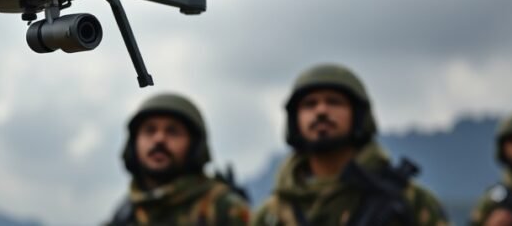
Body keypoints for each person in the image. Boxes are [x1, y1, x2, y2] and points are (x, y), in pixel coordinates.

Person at [250, 63, 448, 226]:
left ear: (359, 115)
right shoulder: (272, 215)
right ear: (295, 120)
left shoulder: (408, 203)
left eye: (334, 102)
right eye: (309, 104)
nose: (321, 111)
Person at [106, 92, 250, 225]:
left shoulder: (223, 209)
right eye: (149, 130)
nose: (159, 139)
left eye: (172, 131)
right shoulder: (124, 216)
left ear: (194, 145)